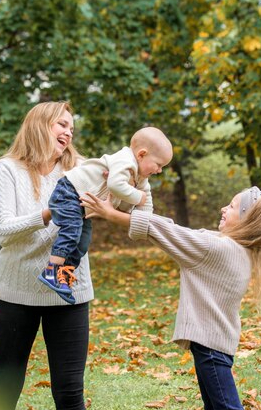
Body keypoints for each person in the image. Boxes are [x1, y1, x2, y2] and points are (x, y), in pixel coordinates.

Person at [81, 186, 261, 410]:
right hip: (215, 344)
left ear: (246, 220)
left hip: (210, 347)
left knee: (227, 409)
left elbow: (167, 231)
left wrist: (111, 214)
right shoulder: (238, 249)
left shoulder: (218, 248)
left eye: (232, 206)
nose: (223, 208)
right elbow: (175, 229)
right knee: (215, 408)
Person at [0, 101, 92, 410]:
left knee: (71, 394)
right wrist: (48, 213)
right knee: (4, 392)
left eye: (71, 128)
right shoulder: (7, 169)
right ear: (39, 125)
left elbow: (117, 193)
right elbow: (4, 231)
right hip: (16, 293)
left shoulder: (80, 170)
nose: (69, 132)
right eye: (62, 124)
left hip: (68, 290)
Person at [38, 127, 173, 303]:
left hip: (81, 205)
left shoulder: (141, 177)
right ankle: (52, 270)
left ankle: (64, 274)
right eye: (159, 164)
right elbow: (117, 185)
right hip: (69, 193)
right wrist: (138, 196)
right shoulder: (124, 160)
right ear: (141, 154)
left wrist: (146, 219)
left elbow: (145, 205)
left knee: (83, 241)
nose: (160, 170)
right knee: (71, 231)